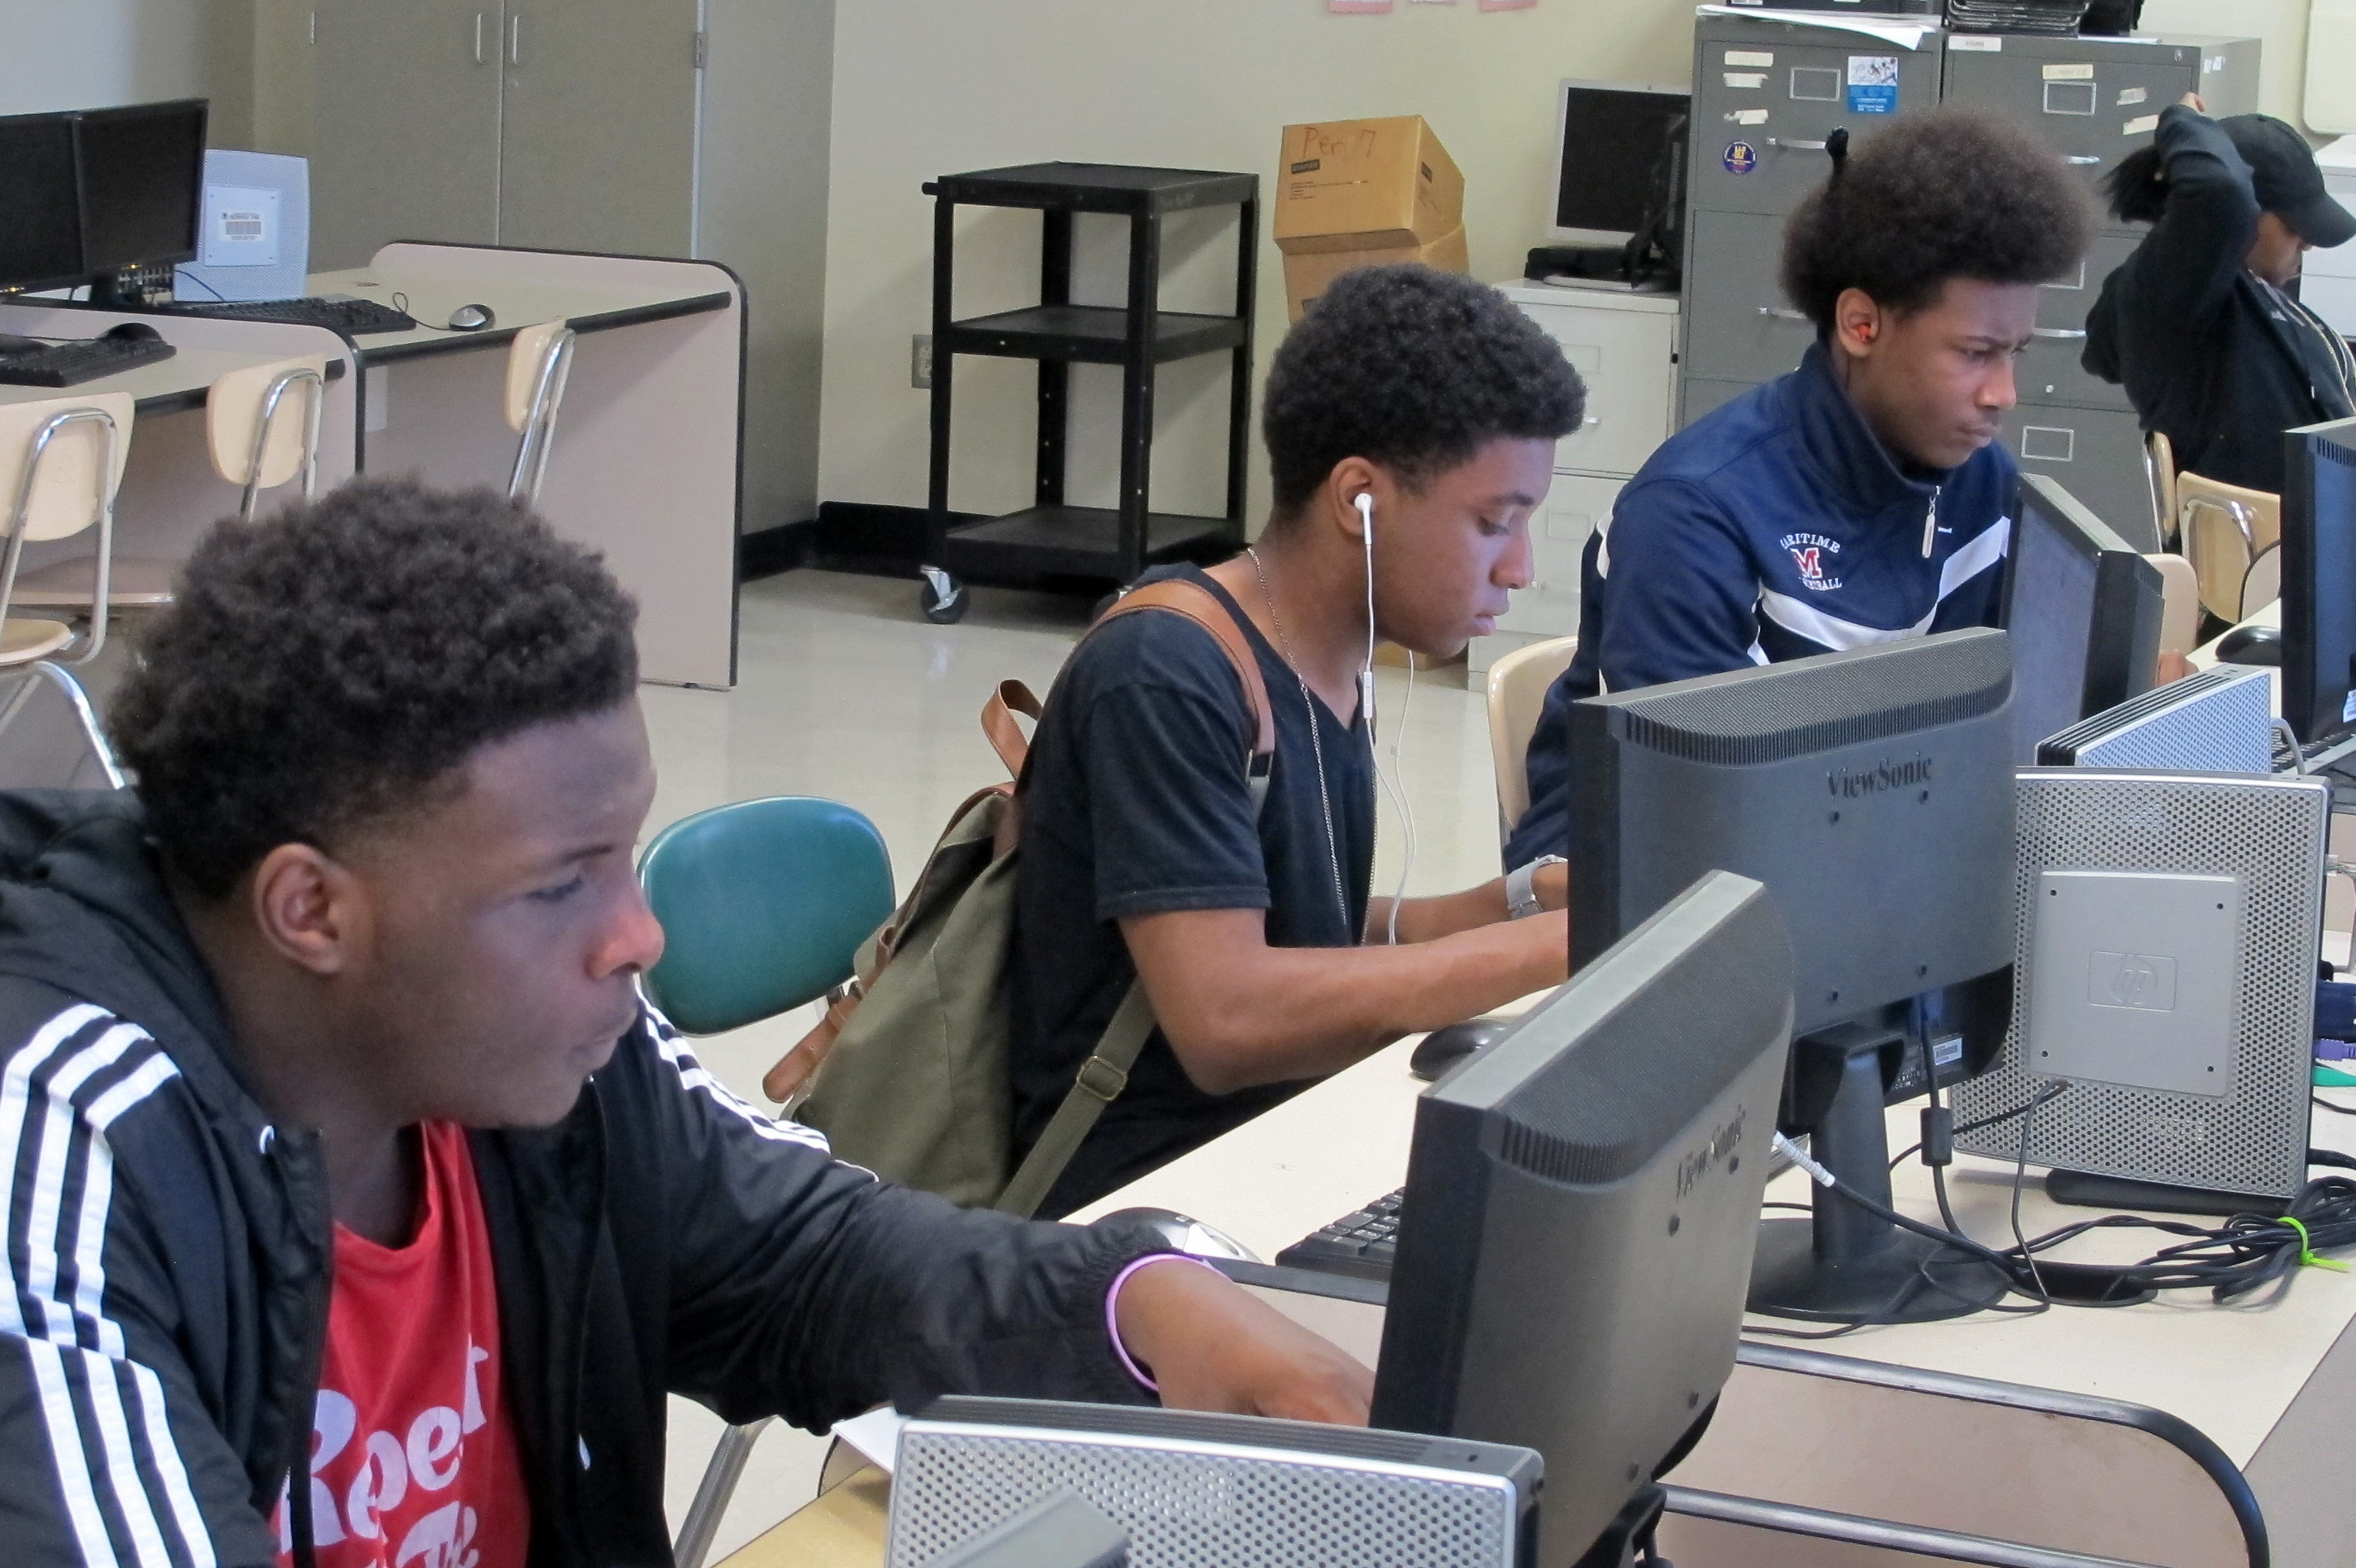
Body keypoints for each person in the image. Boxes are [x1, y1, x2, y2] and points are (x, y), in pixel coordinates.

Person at [0, 481, 1370, 1568]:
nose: (635, 933)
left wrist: (1132, 1302)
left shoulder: (542, 1057)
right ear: (311, 908)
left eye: (625, 857)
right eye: (561, 882)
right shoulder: (60, 1151)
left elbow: (804, 1257)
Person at [1009, 265, 1590, 1218]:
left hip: (1272, 1151)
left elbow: (1296, 929)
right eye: (1495, 524)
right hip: (1136, 1214)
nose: (1521, 570)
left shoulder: (1326, 659)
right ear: (1357, 498)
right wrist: (1565, 948)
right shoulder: (1167, 671)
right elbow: (1225, 1016)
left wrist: (1514, 902)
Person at [1505, 110, 2093, 867]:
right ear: (1861, 324)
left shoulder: (1981, 481)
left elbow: (2016, 718)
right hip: (1652, 878)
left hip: (1873, 851)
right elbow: (1691, 810)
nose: (2003, 394)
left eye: (2015, 352)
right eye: (1976, 354)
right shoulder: (1695, 513)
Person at [2085, 98, 2356, 496]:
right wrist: (2182, 121)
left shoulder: (2265, 300)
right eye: (2293, 225)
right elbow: (2220, 192)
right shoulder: (2171, 297)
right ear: (2244, 217)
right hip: (2254, 549)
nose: (2307, 244)